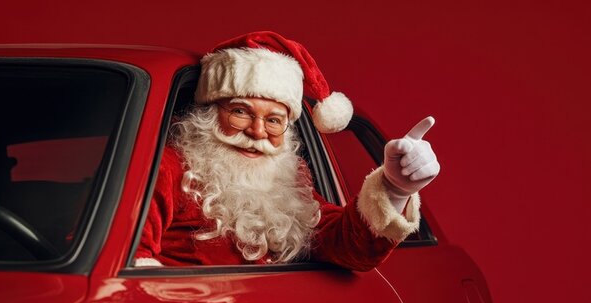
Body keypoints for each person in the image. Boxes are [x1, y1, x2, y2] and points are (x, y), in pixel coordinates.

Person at [133, 31, 439, 271]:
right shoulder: (167, 169)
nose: (257, 131)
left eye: (274, 120)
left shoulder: (288, 185)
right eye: (240, 112)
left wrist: (395, 188)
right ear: (210, 114)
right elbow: (129, 258)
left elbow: (348, 246)